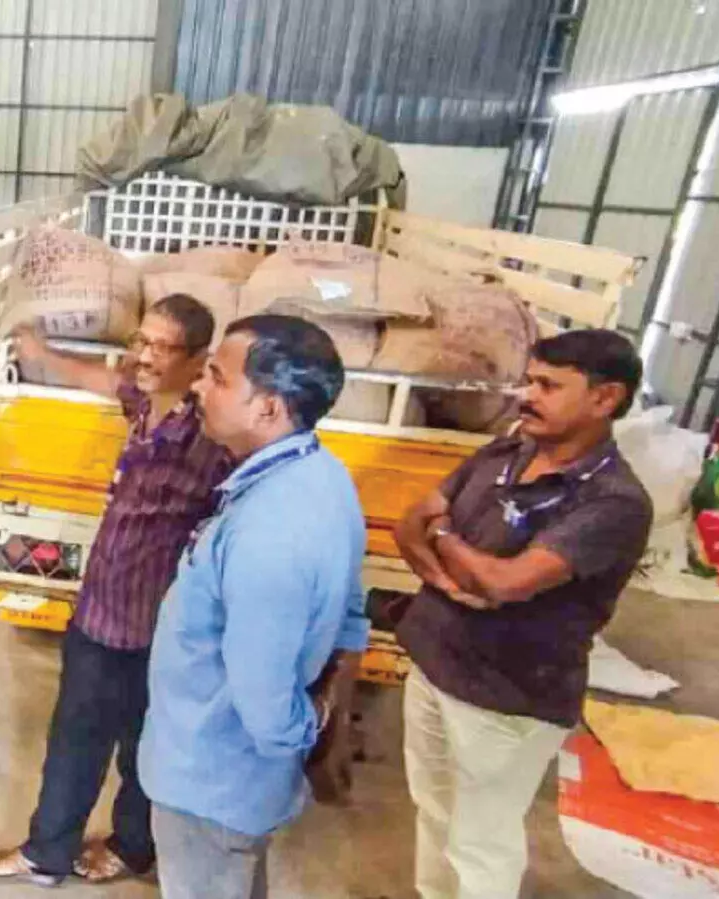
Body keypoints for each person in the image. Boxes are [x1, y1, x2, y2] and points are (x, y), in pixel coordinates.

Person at [0, 294, 235, 886]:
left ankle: (133, 846)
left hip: (157, 625)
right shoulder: (144, 402)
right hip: (100, 611)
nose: (142, 356)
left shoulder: (210, 440)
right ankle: (48, 852)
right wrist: (42, 353)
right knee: (74, 737)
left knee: (145, 745)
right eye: (140, 340)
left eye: (160, 347)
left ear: (199, 361)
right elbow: (107, 380)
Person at [393, 329, 651, 899]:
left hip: (507, 695)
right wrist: (442, 571)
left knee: (480, 840)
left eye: (547, 385)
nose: (525, 395)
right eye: (529, 380)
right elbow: (410, 523)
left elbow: (504, 583)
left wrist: (445, 538)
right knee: (433, 812)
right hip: (436, 664)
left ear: (605, 398)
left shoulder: (612, 501)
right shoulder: (508, 451)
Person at [140, 314, 371, 899]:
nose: (197, 386)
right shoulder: (323, 474)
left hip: (213, 784)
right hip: (230, 779)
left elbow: (267, 709)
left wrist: (313, 725)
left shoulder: (270, 530)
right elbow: (350, 603)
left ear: (267, 409)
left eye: (216, 378)